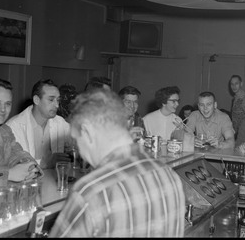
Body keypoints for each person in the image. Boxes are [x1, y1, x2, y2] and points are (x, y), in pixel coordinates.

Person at [49, 88, 185, 237]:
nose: (81, 153)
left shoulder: (91, 191)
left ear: (87, 132)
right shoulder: (169, 175)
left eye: (78, 141)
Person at [0, 78, 42, 186]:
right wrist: (8, 174)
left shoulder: (4, 130)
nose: (3, 109)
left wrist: (30, 168)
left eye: (7, 104)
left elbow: (18, 154)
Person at [6, 79, 72, 169]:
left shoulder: (59, 122)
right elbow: (14, 166)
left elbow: (80, 141)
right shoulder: (13, 127)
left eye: (58, 100)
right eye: (51, 100)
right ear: (36, 100)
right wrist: (46, 163)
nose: (57, 105)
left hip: (53, 180)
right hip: (25, 182)